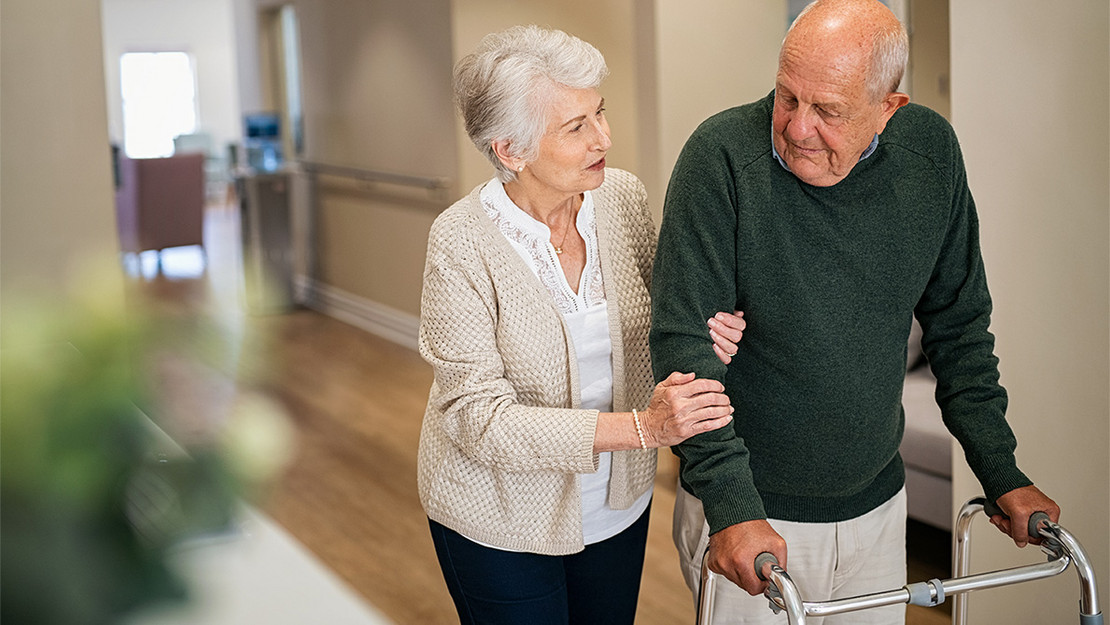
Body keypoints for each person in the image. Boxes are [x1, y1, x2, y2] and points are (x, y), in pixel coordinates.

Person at [648, 1, 1061, 623]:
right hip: (750, 510)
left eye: (829, 111)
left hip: (877, 507)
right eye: (786, 97)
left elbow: (959, 328)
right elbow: (686, 350)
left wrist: (999, 467)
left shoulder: (929, 155)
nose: (796, 127)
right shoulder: (721, 158)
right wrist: (732, 505)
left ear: (887, 109)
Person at [417, 25, 745, 625]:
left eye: (600, 112)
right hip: (499, 517)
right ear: (509, 150)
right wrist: (643, 429)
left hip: (618, 503)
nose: (604, 137)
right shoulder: (460, 241)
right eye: (576, 126)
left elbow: (662, 321)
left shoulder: (620, 197)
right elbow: (478, 420)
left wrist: (707, 334)